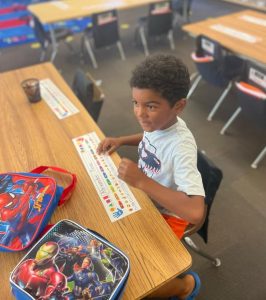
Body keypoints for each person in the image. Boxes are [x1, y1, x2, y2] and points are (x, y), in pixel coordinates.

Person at [97, 54, 205, 299]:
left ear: (178, 106)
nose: (139, 113)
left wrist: (141, 181)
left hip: (169, 214)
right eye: (135, 102)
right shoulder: (159, 124)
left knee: (136, 277)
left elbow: (196, 212)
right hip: (146, 198)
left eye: (151, 106)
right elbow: (149, 137)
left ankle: (186, 285)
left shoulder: (182, 146)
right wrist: (122, 140)